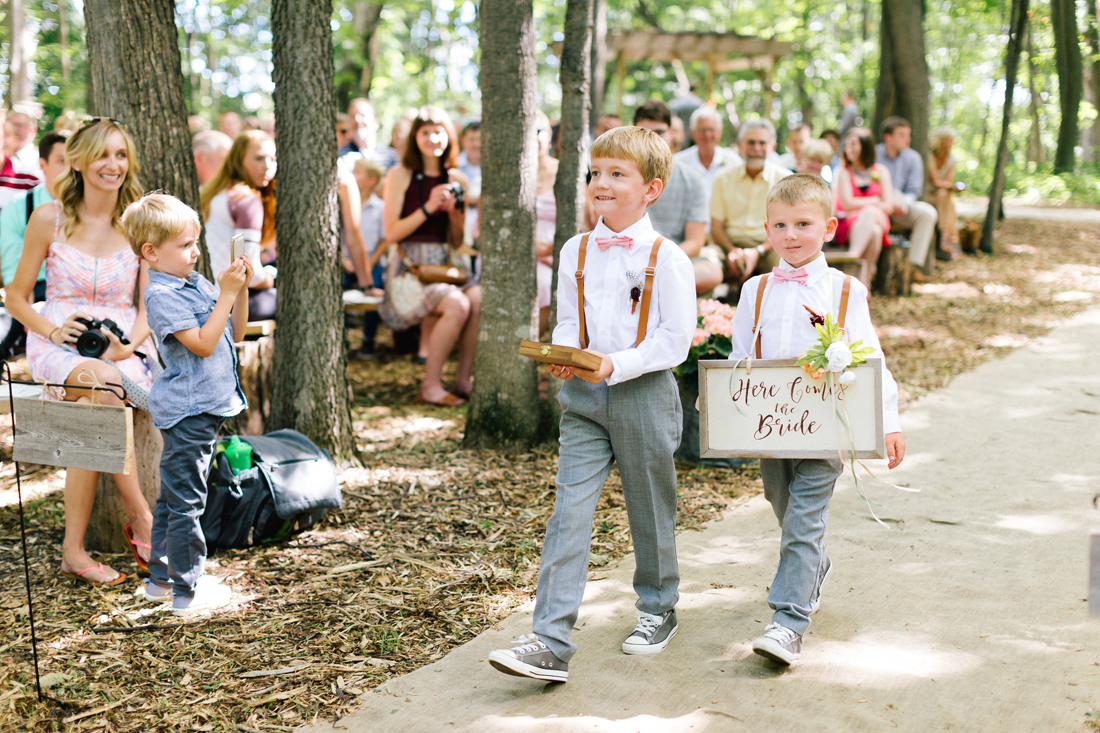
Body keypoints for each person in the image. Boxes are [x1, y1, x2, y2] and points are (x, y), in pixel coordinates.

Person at [487, 126, 695, 682]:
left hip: (643, 394)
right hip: (583, 399)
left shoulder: (666, 257)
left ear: (650, 189)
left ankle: (658, 607)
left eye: (616, 174)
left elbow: (675, 340)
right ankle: (550, 638)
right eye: (595, 173)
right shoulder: (576, 249)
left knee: (650, 508)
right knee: (568, 514)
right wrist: (566, 352)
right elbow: (565, 317)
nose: (601, 183)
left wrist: (615, 364)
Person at [729, 173, 904, 666]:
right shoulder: (755, 291)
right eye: (780, 225)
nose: (790, 235)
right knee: (784, 510)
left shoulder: (846, 291)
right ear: (767, 229)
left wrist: (888, 421)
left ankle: (787, 622)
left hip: (828, 427)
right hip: (771, 428)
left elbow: (872, 360)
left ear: (828, 227)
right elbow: (740, 358)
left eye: (802, 224)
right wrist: (722, 413)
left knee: (804, 523)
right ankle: (815, 567)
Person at [5, 119, 155, 586]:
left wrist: (127, 345)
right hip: (58, 344)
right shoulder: (49, 217)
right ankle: (143, 518)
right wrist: (52, 331)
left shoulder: (138, 222)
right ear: (77, 161)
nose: (113, 165)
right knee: (103, 387)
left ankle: (74, 550)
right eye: (102, 155)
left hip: (122, 346)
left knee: (99, 397)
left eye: (121, 155)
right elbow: (15, 297)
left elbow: (150, 302)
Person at [124, 193, 248, 615]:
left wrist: (239, 291)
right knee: (187, 502)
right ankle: (187, 590)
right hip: (188, 412)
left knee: (173, 497)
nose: (195, 252)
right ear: (151, 252)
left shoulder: (196, 283)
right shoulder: (161, 296)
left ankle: (160, 579)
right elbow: (203, 342)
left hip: (206, 408)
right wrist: (227, 293)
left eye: (195, 243)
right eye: (184, 245)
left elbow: (237, 331)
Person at [380, 106, 478, 406]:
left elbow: (459, 240)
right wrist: (428, 208)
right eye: (425, 132)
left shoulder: (457, 178)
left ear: (449, 136)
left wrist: (455, 215)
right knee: (457, 303)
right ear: (415, 137)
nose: (433, 137)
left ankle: (463, 379)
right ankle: (431, 385)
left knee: (478, 298)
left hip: (448, 265)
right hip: (410, 270)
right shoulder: (400, 174)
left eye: (439, 131)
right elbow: (392, 233)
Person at [632, 101, 717, 295]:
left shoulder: (693, 179)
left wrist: (660, 260)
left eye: (659, 132)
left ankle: (649, 286)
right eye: (644, 132)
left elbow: (695, 242)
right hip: (630, 255)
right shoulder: (622, 175)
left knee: (712, 272)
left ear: (672, 132)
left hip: (673, 257)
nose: (652, 139)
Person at [0, 131, 71, 359]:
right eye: (62, 161)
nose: (70, 169)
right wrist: (30, 319)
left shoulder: (92, 209)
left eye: (75, 161)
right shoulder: (21, 207)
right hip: (33, 292)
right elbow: (13, 273)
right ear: (43, 164)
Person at [200, 130, 278, 319]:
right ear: (238, 160)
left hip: (206, 295)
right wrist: (270, 278)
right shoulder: (247, 200)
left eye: (273, 159)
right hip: (227, 302)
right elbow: (249, 275)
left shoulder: (214, 192)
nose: (267, 167)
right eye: (258, 158)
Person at [710, 118, 791, 284]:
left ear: (772, 147)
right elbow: (716, 227)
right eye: (751, 142)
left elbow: (787, 227)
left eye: (762, 143)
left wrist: (758, 251)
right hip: (728, 246)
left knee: (787, 261)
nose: (756, 149)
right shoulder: (722, 178)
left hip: (769, 246)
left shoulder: (785, 180)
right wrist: (732, 251)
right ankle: (706, 309)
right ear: (740, 145)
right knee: (707, 259)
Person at [875, 116, 937, 276]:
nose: (907, 139)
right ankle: (871, 269)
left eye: (908, 135)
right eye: (902, 134)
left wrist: (904, 205)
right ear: (888, 137)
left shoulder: (913, 158)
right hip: (878, 205)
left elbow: (914, 190)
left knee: (928, 213)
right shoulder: (873, 154)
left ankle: (913, 268)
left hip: (902, 206)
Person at [832, 128, 892, 290]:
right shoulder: (843, 172)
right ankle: (865, 280)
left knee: (871, 213)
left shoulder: (881, 171)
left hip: (877, 217)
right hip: (851, 224)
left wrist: (865, 207)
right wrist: (873, 200)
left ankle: (852, 257)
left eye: (853, 144)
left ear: (865, 147)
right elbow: (846, 204)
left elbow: (888, 205)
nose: (848, 148)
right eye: (846, 145)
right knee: (874, 232)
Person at [673, 106, 742, 222]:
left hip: (723, 229)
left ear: (719, 132)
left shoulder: (733, 162)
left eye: (712, 129)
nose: (707, 135)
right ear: (692, 133)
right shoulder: (678, 162)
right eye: (702, 130)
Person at [352, 158, 387, 358]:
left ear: (371, 181)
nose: (352, 175)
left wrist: (370, 262)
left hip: (372, 262)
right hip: (346, 263)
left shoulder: (380, 208)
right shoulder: (344, 204)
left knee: (374, 293)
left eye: (358, 172)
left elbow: (385, 240)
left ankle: (368, 340)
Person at [534, 112, 558, 335]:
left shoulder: (563, 173)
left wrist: (552, 249)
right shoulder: (510, 174)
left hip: (553, 255)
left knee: (546, 283)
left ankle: (528, 348)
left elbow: (584, 223)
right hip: (520, 254)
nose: (532, 139)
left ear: (548, 135)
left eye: (538, 132)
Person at [925, 126, 960, 261]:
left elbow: (946, 182)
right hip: (928, 194)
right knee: (946, 200)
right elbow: (935, 181)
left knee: (943, 195)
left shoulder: (951, 159)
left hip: (941, 195)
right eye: (949, 139)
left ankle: (945, 237)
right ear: (941, 140)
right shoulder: (930, 156)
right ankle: (949, 239)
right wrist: (951, 186)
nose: (952, 141)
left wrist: (951, 187)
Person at [339, 98, 400, 171]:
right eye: (353, 116)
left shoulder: (391, 156)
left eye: (362, 115)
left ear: (375, 122)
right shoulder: (340, 155)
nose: (357, 120)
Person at [0, 114, 42, 210]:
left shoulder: (29, 180)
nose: (16, 129)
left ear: (5, 135)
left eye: (20, 125)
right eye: (12, 125)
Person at [457, 121, 482, 246]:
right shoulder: (454, 166)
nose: (477, 144)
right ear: (463, 141)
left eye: (480, 139)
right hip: (459, 234)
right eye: (472, 139)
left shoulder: (495, 169)